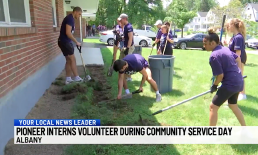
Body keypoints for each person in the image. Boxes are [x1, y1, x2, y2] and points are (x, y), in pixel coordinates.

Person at [203, 28, 246, 126]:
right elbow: (238, 58)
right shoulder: (225, 49)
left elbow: (220, 75)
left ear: (212, 43)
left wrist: (214, 85)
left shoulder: (213, 56)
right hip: (239, 81)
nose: (204, 46)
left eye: (205, 43)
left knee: (213, 107)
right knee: (233, 105)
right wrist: (239, 72)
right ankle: (245, 129)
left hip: (230, 84)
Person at [58, 7, 83, 85]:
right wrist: (76, 42)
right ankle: (76, 77)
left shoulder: (70, 19)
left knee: (69, 60)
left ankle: (68, 79)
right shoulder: (70, 19)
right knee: (73, 59)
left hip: (64, 41)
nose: (79, 16)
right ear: (75, 12)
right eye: (79, 14)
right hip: (65, 42)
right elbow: (68, 33)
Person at [224, 18, 247, 101]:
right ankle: (240, 93)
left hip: (239, 59)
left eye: (229, 25)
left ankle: (242, 94)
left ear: (234, 25)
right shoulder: (235, 37)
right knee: (238, 76)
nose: (227, 27)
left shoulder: (238, 37)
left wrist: (236, 64)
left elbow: (238, 53)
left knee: (239, 76)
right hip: (236, 58)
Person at [119, 13, 135, 81]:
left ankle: (129, 77)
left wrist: (128, 48)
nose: (120, 21)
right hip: (125, 46)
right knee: (121, 59)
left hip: (129, 47)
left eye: (121, 20)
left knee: (127, 61)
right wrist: (122, 37)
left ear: (124, 19)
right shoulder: (125, 26)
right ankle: (124, 75)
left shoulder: (129, 27)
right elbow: (126, 37)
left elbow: (130, 38)